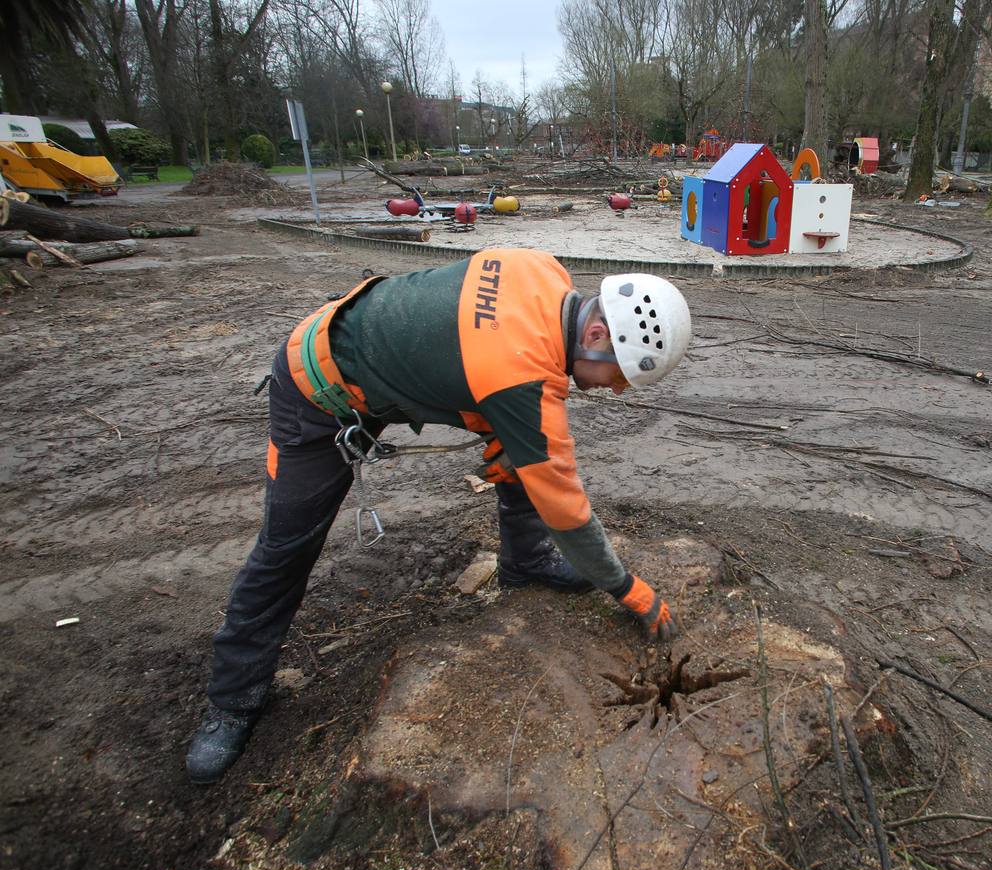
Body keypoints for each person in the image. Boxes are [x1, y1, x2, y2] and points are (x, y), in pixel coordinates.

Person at [185, 249, 692, 784]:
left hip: (387, 366)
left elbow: (460, 341)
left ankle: (525, 563)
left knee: (522, 447)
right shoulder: (520, 379)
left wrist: (490, 417)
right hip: (316, 384)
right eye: (620, 376)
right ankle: (233, 701)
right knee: (286, 550)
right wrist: (626, 587)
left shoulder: (542, 271)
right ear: (594, 336)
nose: (614, 390)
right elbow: (567, 510)